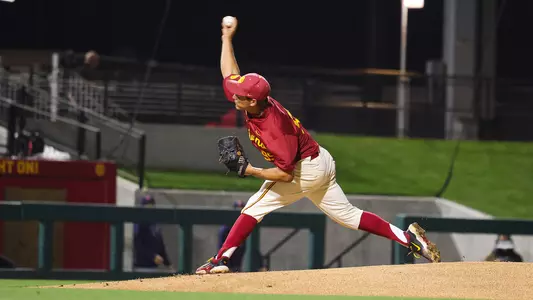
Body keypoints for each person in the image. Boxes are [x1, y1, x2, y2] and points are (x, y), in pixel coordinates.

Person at [195, 17, 441, 275]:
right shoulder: (253, 100)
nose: (234, 95)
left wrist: (251, 170)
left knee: (255, 206)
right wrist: (226, 38)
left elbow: (286, 174)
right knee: (348, 216)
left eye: (240, 95)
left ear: (253, 101)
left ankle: (219, 260)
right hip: (319, 160)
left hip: (303, 169)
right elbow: (229, 74)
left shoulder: (273, 127)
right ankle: (410, 239)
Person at [133, 195, 173, 270]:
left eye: (151, 206)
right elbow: (138, 245)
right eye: (147, 206)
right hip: (142, 266)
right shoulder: (139, 222)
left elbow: (160, 244)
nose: (150, 208)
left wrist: (168, 263)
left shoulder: (155, 222)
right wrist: (153, 256)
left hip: (153, 265)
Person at [217, 200, 247, 272]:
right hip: (227, 256)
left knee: (237, 269)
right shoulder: (225, 227)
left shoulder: (245, 225)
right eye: (238, 208)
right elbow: (221, 245)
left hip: (238, 255)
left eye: (241, 208)